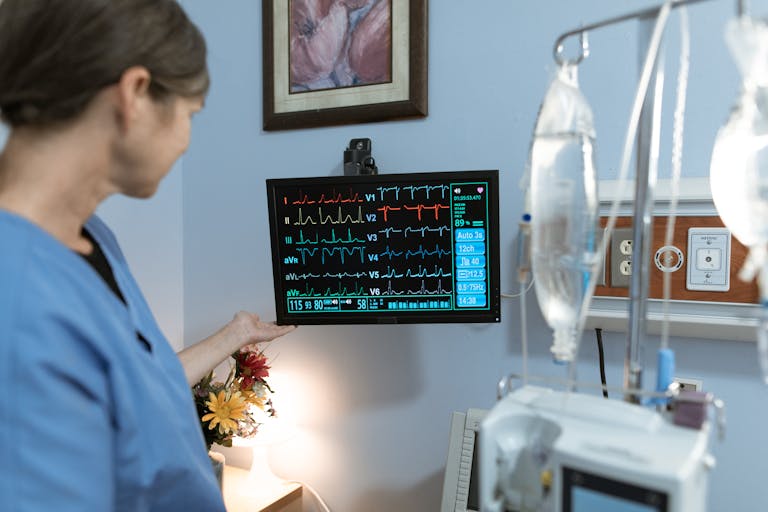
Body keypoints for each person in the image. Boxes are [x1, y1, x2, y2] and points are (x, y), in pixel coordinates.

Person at [0, 1, 295, 511]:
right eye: (189, 115)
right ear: (135, 94)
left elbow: (136, 389)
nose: (185, 140)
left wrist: (236, 335)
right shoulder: (17, 299)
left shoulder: (92, 239)